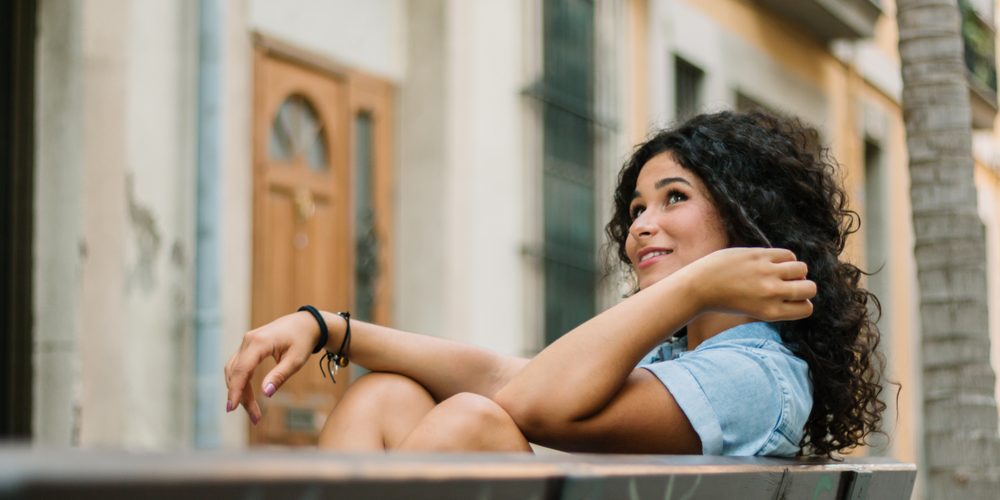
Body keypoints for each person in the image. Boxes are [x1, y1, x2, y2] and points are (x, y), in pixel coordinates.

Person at [224, 110, 886, 457]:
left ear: (748, 216)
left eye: (673, 198)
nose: (642, 228)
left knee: (469, 425)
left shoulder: (754, 376)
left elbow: (530, 406)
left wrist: (690, 288)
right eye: (635, 211)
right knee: (387, 397)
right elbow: (506, 378)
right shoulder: (685, 357)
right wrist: (325, 327)